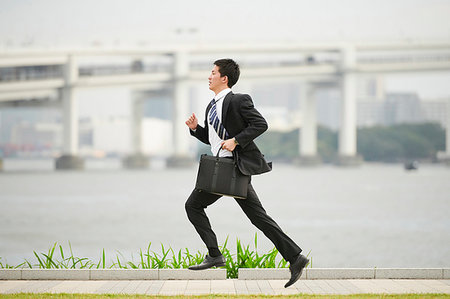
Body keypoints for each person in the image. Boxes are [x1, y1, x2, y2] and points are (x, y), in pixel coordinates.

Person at [184, 58, 309, 288]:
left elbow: (260, 124)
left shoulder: (238, 100)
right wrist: (195, 129)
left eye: (213, 72)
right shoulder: (211, 106)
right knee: (255, 216)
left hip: (235, 168)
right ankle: (294, 258)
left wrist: (236, 140)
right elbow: (212, 140)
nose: (208, 76)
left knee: (196, 206)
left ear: (224, 78)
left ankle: (215, 255)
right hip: (219, 168)